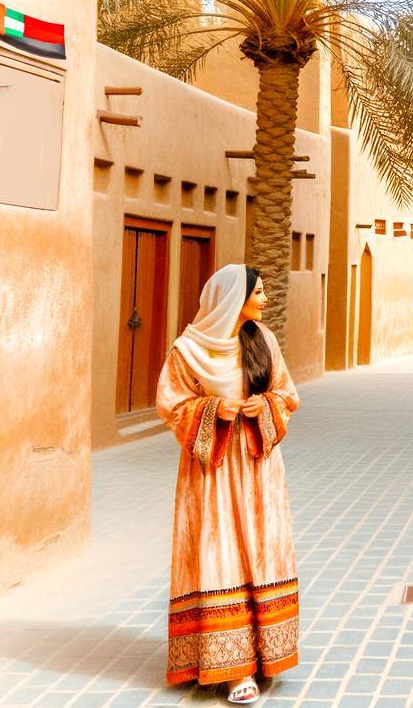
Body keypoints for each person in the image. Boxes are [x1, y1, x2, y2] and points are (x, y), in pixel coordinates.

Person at [156, 263, 300, 705]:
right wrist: (210, 411)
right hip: (212, 469)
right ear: (233, 298)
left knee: (259, 549)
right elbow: (170, 402)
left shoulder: (264, 340)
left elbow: (287, 393)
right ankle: (232, 668)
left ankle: (261, 655)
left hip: (258, 466)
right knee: (219, 554)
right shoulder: (188, 350)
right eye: (258, 293)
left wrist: (267, 408)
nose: (264, 300)